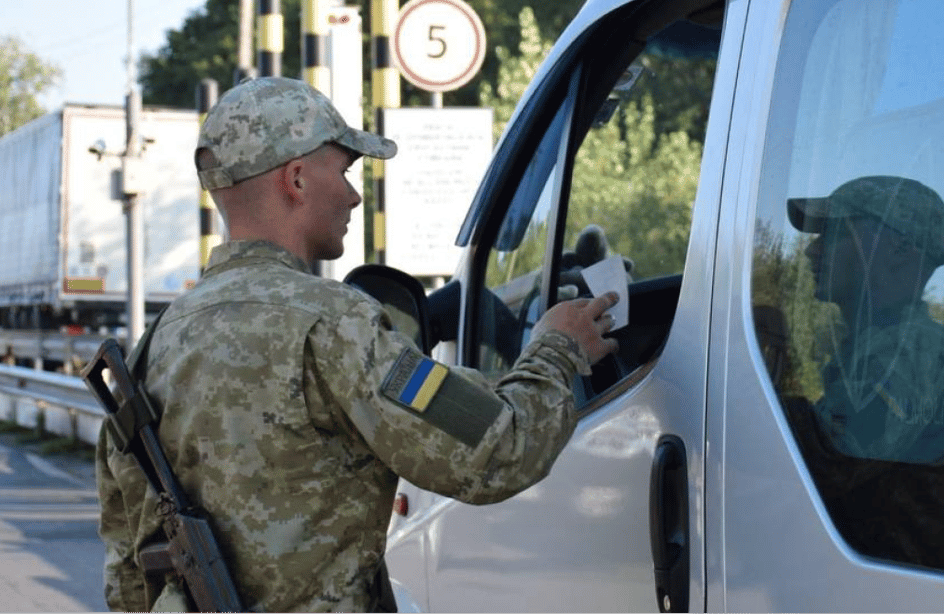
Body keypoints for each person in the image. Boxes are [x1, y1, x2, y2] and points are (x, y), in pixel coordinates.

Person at [95, 77, 621, 612]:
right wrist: (557, 348)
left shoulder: (152, 346)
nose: (354, 194)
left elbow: (128, 569)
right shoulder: (334, 325)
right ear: (296, 179)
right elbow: (498, 449)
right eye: (344, 170)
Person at [780, 175, 944, 576]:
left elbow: (814, 469)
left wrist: (766, 368)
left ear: (899, 249)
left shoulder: (911, 354)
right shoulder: (885, 348)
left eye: (834, 234)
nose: (812, 252)